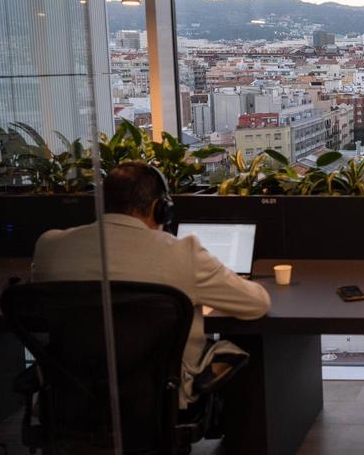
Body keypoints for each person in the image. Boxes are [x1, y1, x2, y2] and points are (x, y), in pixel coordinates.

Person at [31, 161, 271, 408]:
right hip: (156, 400)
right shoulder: (182, 253)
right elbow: (257, 304)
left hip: (73, 397)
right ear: (161, 209)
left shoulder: (49, 246)